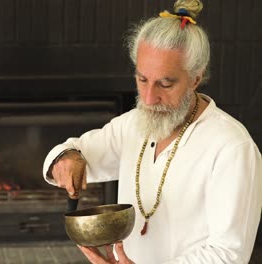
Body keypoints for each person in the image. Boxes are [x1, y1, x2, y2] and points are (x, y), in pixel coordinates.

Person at [42, 0, 262, 263]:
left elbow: (229, 255)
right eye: (142, 79)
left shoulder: (232, 147)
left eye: (165, 84)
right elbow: (74, 151)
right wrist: (66, 158)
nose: (148, 98)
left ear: (195, 78)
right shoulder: (134, 123)